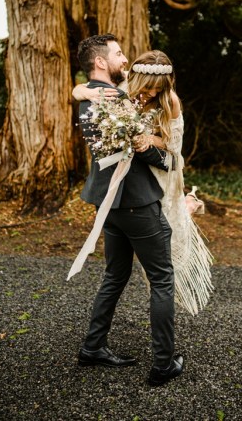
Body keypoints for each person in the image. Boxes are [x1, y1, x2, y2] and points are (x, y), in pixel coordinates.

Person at [71, 34, 184, 387]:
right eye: (119, 53)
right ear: (101, 62)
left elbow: (80, 91)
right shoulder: (119, 101)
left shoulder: (88, 98)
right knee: (163, 280)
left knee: (114, 276)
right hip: (136, 203)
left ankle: (93, 347)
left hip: (109, 205)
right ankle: (164, 364)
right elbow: (145, 155)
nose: (124, 57)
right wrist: (163, 155)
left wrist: (80, 90)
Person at [73, 49, 213, 317]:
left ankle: (186, 206)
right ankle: (188, 205)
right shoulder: (122, 83)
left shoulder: (170, 101)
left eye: (156, 90)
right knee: (125, 267)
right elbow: (82, 87)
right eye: (147, 88)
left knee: (170, 233)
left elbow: (173, 147)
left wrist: (146, 137)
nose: (149, 94)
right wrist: (82, 92)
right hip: (130, 183)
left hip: (161, 171)